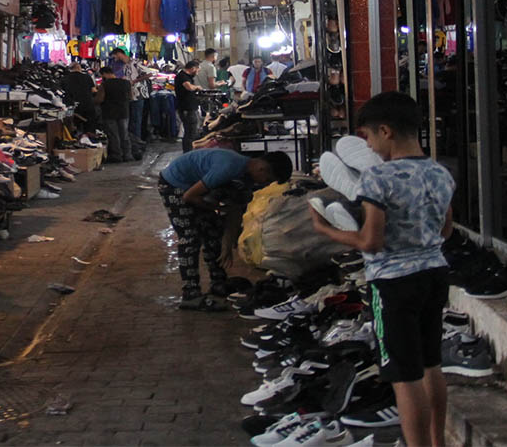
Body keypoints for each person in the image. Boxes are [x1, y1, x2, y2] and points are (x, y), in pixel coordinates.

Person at [310, 91, 455, 447]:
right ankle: (438, 443)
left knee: (404, 376)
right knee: (431, 364)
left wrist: (326, 229)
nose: (371, 147)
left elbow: (371, 241)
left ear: (386, 131)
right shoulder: (440, 172)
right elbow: (446, 230)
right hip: (435, 273)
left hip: (393, 282)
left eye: (370, 137)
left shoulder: (378, 179)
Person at [158, 148, 294, 310]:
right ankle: (190, 294)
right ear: (262, 168)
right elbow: (189, 197)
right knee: (190, 238)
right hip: (175, 185)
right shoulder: (229, 167)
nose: (264, 183)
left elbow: (233, 211)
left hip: (194, 189)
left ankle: (218, 282)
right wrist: (214, 207)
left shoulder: (246, 178)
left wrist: (227, 245)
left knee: (213, 232)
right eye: (267, 179)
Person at [94, 66, 133, 162]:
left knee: (113, 135)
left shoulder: (105, 84)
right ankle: (127, 155)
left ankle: (117, 155)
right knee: (124, 134)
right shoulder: (126, 83)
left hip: (109, 113)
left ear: (104, 74)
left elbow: (100, 99)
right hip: (124, 112)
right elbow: (131, 97)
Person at [61, 62, 98, 132]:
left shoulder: (64, 78)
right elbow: (94, 90)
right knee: (89, 126)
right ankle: (88, 138)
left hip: (72, 105)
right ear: (78, 67)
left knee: (73, 126)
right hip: (87, 104)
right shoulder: (87, 77)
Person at [174, 60, 202, 153]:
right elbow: (188, 87)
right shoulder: (183, 76)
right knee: (190, 132)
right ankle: (188, 153)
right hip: (186, 108)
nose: (197, 73)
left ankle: (189, 152)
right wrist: (197, 87)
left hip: (189, 108)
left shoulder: (186, 76)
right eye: (197, 71)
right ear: (193, 68)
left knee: (191, 131)